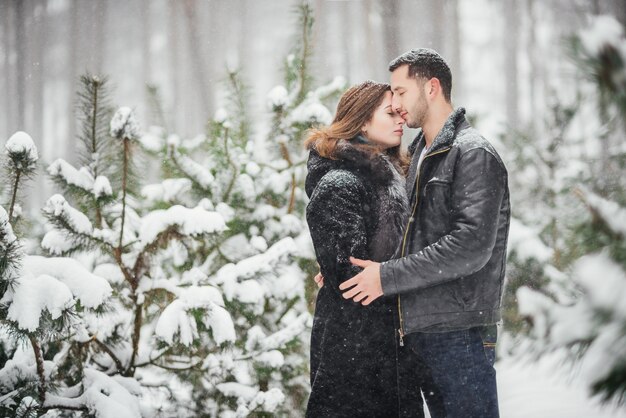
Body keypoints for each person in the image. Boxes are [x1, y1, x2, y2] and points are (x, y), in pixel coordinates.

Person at [338, 49, 511, 417]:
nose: (396, 103)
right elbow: (409, 236)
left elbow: (470, 246)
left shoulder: (472, 153)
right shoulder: (419, 154)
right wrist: (346, 267)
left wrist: (385, 277)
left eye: (400, 92)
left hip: (459, 333)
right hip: (424, 331)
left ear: (431, 88)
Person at [304, 80, 443, 417]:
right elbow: (350, 275)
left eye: (400, 111)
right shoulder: (340, 183)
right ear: (363, 122)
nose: (401, 119)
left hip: (391, 349)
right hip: (354, 349)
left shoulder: (394, 179)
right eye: (390, 112)